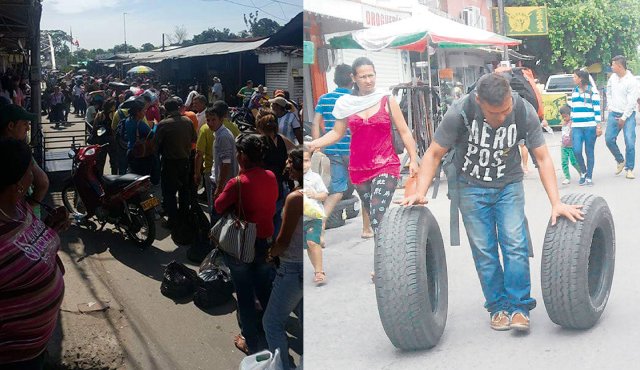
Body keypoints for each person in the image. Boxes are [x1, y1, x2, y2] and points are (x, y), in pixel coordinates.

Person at [401, 73, 584, 332]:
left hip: (508, 185)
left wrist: (556, 202)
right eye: (493, 113)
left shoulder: (523, 111)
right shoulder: (460, 112)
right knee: (485, 251)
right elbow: (433, 153)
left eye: (505, 111)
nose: (500, 118)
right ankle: (497, 306)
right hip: (470, 188)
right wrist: (420, 191)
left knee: (515, 244)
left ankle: (519, 307)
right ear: (479, 101)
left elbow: (542, 159)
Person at [307, 57, 419, 244]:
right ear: (354, 78)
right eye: (363, 76)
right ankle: (386, 256)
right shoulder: (346, 103)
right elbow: (336, 132)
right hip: (358, 169)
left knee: (377, 213)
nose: (368, 80)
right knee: (375, 219)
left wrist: (413, 159)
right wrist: (314, 144)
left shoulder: (386, 99)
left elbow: (404, 131)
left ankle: (382, 264)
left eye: (371, 75)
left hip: (386, 164)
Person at [0, 138, 68, 370]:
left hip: (35, 349)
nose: (34, 175)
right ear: (18, 183)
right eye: (31, 169)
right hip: (13, 359)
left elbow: (26, 244)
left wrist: (49, 228)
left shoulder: (18, 206)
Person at [214, 133, 278, 355]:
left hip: (243, 245)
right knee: (264, 290)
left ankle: (250, 340)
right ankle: (271, 334)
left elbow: (219, 206)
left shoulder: (238, 183)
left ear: (242, 156)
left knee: (244, 294)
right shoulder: (271, 176)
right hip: (265, 241)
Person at [311, 63, 373, 243]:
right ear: (353, 78)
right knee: (364, 189)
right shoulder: (357, 98)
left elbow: (316, 122)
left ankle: (320, 227)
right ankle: (366, 229)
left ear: (335, 79)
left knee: (337, 190)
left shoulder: (324, 98)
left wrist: (317, 145)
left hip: (333, 150)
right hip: (356, 152)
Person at [264, 148, 304, 370]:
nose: (286, 165)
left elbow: (283, 241)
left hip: (291, 269)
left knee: (271, 323)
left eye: (290, 162)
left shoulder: (296, 198)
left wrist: (270, 255)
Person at [0, 104, 50, 218]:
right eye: (24, 124)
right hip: (24, 217)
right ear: (11, 126)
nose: (27, 128)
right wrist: (30, 206)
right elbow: (43, 183)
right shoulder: (19, 152)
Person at [155, 97, 197, 229]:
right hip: (185, 160)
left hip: (170, 162)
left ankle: (172, 220)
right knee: (184, 190)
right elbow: (194, 138)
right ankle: (184, 217)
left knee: (169, 193)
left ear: (166, 109)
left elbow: (156, 145)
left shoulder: (163, 124)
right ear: (178, 108)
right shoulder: (187, 121)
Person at [255, 109, 295, 239]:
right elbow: (296, 150)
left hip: (266, 186)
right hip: (282, 185)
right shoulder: (282, 139)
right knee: (278, 218)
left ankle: (267, 246)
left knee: (265, 218)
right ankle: (276, 246)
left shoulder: (259, 142)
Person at [605, 55, 638, 179]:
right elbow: (608, 92)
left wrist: (624, 118)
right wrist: (609, 105)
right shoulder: (613, 78)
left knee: (630, 142)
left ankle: (629, 168)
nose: (611, 66)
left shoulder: (631, 81)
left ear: (619, 66)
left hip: (628, 115)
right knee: (609, 140)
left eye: (613, 65)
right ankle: (620, 160)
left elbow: (632, 102)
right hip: (614, 113)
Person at [208, 101, 239, 224]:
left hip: (223, 183)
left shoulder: (223, 136)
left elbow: (226, 164)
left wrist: (219, 188)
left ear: (221, 119)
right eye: (208, 120)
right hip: (220, 181)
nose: (210, 123)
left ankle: (216, 241)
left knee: (217, 216)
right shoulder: (219, 134)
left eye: (213, 120)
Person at [571, 69, 602, 185]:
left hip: (590, 126)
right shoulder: (574, 91)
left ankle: (589, 176)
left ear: (581, 79)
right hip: (576, 126)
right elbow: (573, 108)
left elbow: (597, 109)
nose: (573, 79)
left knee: (589, 151)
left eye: (574, 77)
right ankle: (583, 171)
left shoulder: (592, 91)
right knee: (576, 150)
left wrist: (598, 126)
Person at [302, 149, 327, 284]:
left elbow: (324, 194)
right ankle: (316, 268)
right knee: (308, 246)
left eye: (306, 160)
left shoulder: (315, 177)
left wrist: (315, 195)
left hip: (313, 218)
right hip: (300, 218)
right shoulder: (293, 176)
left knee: (312, 242)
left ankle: (319, 271)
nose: (303, 164)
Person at [124, 98, 154, 176]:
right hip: (141, 153)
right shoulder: (140, 124)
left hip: (130, 150)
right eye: (143, 110)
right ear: (138, 112)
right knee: (142, 176)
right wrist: (154, 125)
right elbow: (152, 135)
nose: (145, 112)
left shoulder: (127, 120)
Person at [559, 105, 582, 185]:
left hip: (571, 146)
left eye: (565, 116)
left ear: (570, 115)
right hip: (564, 146)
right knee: (564, 162)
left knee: (574, 162)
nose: (564, 118)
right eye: (563, 117)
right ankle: (567, 177)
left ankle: (581, 172)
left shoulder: (572, 123)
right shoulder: (563, 123)